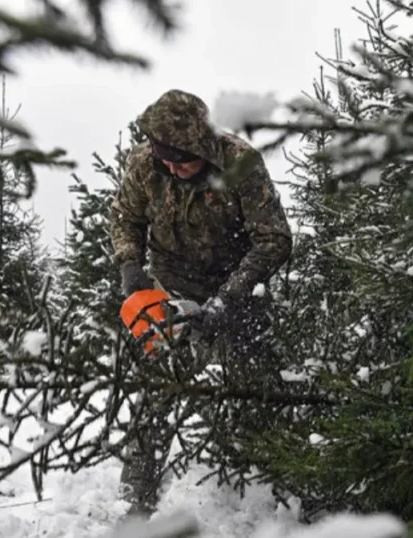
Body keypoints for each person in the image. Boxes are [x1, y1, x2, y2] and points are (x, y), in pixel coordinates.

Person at [107, 88, 293, 516]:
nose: (172, 167)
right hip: (171, 287)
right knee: (157, 385)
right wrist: (130, 266)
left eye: (181, 158)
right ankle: (137, 495)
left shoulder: (240, 163)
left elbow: (274, 240)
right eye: (164, 158)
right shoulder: (144, 165)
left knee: (251, 387)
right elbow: (125, 217)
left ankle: (262, 493)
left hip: (238, 287)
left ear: (202, 147)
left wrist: (229, 299)